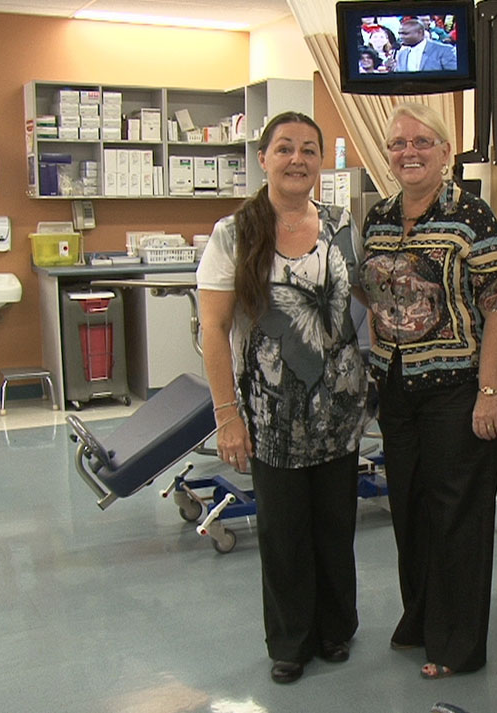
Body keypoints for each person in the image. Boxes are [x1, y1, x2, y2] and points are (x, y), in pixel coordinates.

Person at [197, 111, 368, 685]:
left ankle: (335, 628)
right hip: (270, 416)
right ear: (264, 158)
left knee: (334, 525)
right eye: (285, 148)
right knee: (284, 531)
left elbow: (368, 307)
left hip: (341, 413)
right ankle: (291, 641)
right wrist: (228, 415)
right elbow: (213, 331)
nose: (298, 159)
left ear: (322, 161)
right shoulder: (234, 234)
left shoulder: (344, 226)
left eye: (309, 150)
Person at [358, 103, 497, 679]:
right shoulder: (377, 218)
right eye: (398, 143)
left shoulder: (473, 217)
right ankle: (421, 618)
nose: (409, 152)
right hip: (396, 387)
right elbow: (370, 294)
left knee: (457, 515)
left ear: (446, 152)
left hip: (457, 386)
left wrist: (490, 391)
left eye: (423, 141)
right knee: (410, 509)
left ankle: (456, 645)